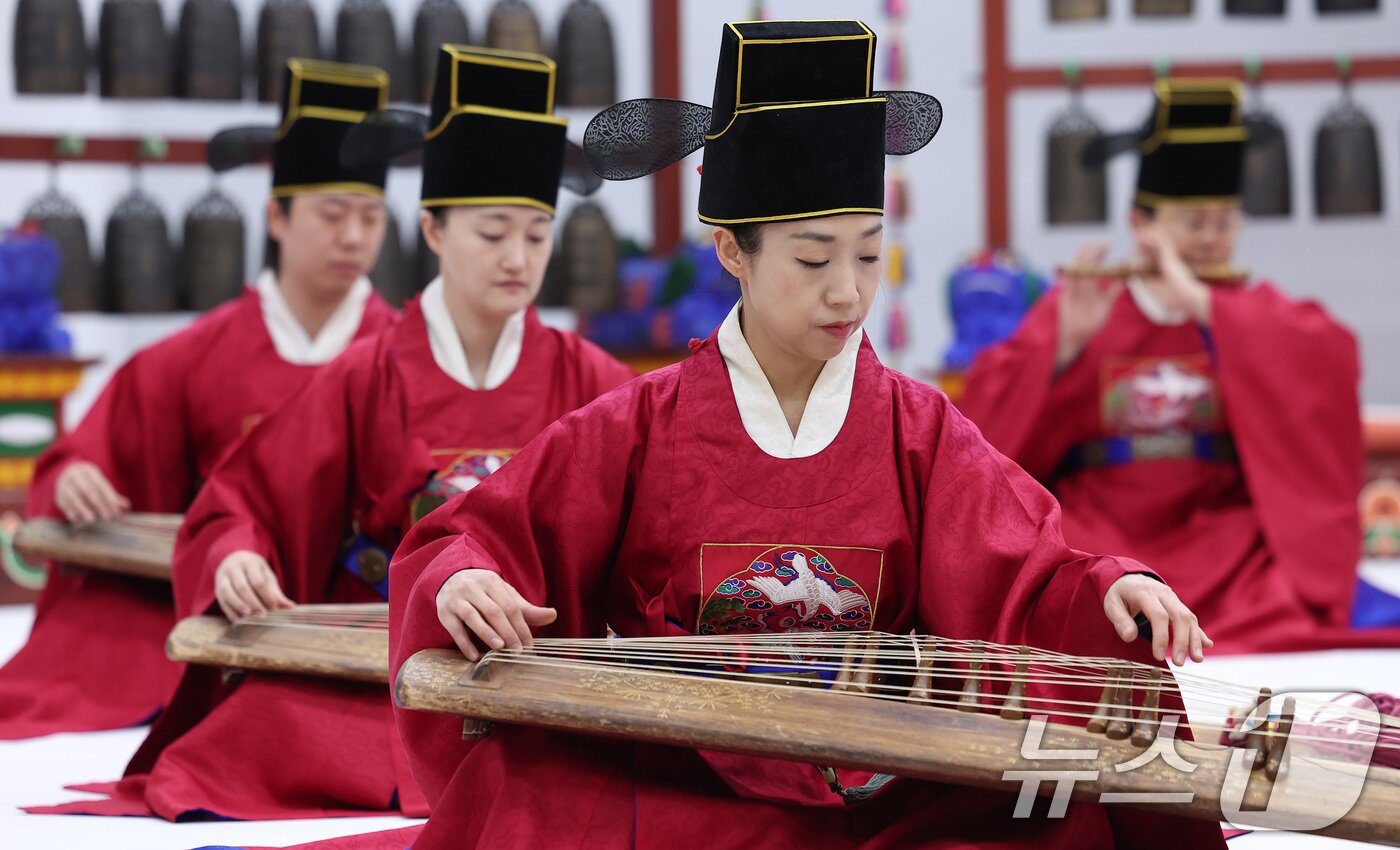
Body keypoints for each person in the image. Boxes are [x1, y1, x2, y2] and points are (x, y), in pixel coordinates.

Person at [389, 22, 1222, 849]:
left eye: (868, 256)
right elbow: (475, 536)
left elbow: (1027, 577)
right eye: (814, 260)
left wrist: (1107, 587)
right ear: (732, 252)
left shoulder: (916, 426)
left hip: (884, 770)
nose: (848, 295)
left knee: (1058, 805)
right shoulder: (641, 424)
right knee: (527, 795)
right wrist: (462, 581)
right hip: (695, 768)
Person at [30, 44, 635, 822]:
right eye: (492, 234)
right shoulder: (367, 371)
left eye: (537, 233)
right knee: (245, 737)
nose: (519, 259)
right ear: (435, 232)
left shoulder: (595, 381)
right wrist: (234, 551)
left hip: (528, 673)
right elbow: (243, 497)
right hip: (380, 661)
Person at [0, 58, 398, 740]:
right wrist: (74, 477)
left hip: (360, 634)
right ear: (276, 216)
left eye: (370, 216)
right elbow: (89, 451)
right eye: (333, 214)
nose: (354, 236)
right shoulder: (198, 355)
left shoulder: (404, 355)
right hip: (223, 617)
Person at [959, 79, 1367, 654]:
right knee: (1070, 575)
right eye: (1192, 223)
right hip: (1106, 528)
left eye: (1223, 223)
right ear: (1141, 224)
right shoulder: (1083, 304)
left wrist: (1209, 309)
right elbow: (981, 436)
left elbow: (1330, 359)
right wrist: (1064, 347)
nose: (1209, 240)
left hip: (1217, 534)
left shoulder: (1252, 315)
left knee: (1278, 591)